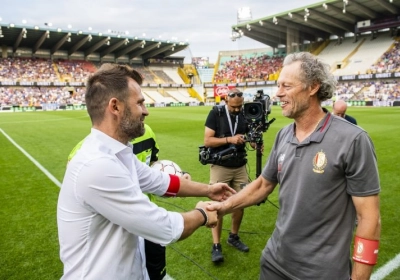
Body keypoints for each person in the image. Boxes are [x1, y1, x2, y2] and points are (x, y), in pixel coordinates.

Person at [207, 52, 381, 279]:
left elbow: (370, 218)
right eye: (278, 85)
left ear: (313, 87)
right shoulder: (284, 135)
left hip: (321, 273)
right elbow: (262, 186)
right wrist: (223, 207)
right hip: (274, 263)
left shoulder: (353, 139)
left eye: (286, 86)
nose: (278, 93)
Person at [57, 63, 236, 280]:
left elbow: (161, 181)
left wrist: (208, 190)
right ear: (115, 107)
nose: (146, 111)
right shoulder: (97, 165)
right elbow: (164, 228)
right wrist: (202, 215)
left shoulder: (118, 154)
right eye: (140, 103)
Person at [204, 88, 253, 263]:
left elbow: (248, 136)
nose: (237, 110)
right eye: (234, 107)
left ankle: (234, 236)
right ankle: (216, 245)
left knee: (240, 203)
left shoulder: (244, 113)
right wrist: (229, 140)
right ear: (226, 101)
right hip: (221, 165)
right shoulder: (215, 113)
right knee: (218, 206)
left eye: (240, 107)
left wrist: (253, 142)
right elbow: (207, 140)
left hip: (240, 165)